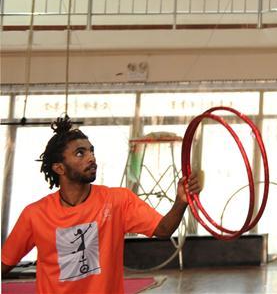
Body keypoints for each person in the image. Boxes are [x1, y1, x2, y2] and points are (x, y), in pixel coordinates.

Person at [1, 116, 202, 293]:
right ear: (59, 168)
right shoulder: (35, 214)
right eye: (80, 153)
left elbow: (164, 230)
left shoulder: (118, 200)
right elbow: (5, 263)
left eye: (91, 151)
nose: (91, 157)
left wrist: (181, 201)